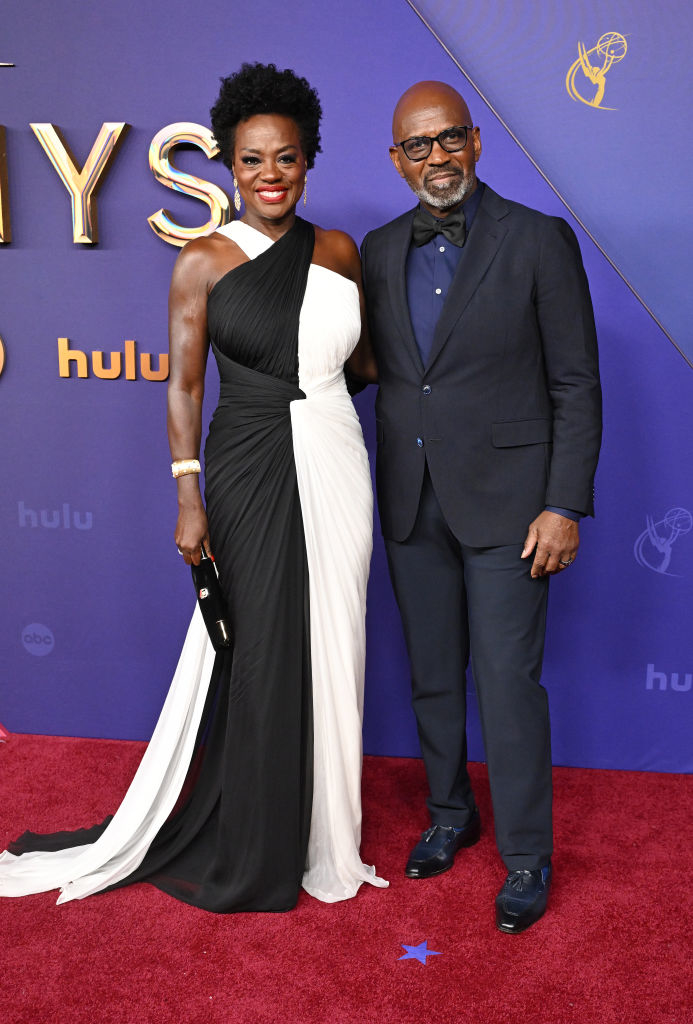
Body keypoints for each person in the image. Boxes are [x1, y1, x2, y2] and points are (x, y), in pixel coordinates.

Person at [0, 63, 387, 912]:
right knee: (260, 645)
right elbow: (182, 387)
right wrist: (188, 495)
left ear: (308, 160)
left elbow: (363, 364)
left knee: (338, 638)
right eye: (251, 159)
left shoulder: (338, 251)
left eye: (285, 157)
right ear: (229, 167)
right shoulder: (202, 258)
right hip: (248, 462)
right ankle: (257, 834)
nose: (270, 174)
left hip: (335, 455)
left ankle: (328, 833)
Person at [359, 81, 601, 933]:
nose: (436, 157)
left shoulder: (537, 239)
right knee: (432, 677)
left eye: (449, 138)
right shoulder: (376, 250)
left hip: (511, 509)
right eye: (417, 145)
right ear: (396, 160)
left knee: (505, 682)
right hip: (411, 500)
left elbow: (574, 383)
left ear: (475, 141)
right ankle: (448, 814)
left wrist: (563, 503)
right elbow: (364, 367)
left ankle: (527, 854)